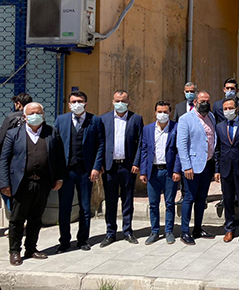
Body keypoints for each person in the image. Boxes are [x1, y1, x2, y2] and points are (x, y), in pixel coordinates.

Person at [0, 102, 65, 265]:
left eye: (38, 113)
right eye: (31, 113)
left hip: (43, 183)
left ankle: (31, 248)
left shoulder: (52, 132)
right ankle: (15, 251)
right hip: (21, 183)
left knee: (36, 218)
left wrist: (59, 178)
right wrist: (4, 183)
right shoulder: (13, 134)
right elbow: (4, 160)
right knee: (17, 219)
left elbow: (59, 157)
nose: (35, 116)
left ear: (43, 115)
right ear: (25, 116)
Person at [54, 91, 105, 253]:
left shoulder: (95, 120)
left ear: (85, 103)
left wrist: (96, 167)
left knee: (85, 207)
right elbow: (55, 145)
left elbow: (101, 144)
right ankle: (64, 241)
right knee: (65, 207)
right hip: (66, 171)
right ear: (69, 104)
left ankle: (83, 239)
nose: (77, 104)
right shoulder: (61, 120)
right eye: (73, 101)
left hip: (85, 171)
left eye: (80, 101)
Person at [100, 90, 143, 247]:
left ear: (128, 102)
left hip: (127, 166)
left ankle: (128, 231)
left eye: (123, 101)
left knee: (127, 200)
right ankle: (110, 232)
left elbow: (140, 142)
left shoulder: (136, 119)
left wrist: (136, 163)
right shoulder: (103, 119)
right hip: (109, 167)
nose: (120, 103)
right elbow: (100, 143)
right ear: (112, 101)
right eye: (117, 101)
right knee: (110, 200)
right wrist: (100, 164)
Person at [177, 91, 217, 245]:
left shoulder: (211, 116)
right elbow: (181, 145)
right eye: (202, 101)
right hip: (192, 167)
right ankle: (184, 231)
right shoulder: (185, 119)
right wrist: (186, 166)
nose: (205, 104)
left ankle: (198, 228)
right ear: (195, 102)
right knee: (189, 198)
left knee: (202, 198)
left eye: (207, 101)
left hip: (207, 164)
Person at [139, 101, 181, 245]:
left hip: (169, 172)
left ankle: (169, 231)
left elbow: (179, 151)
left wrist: (176, 170)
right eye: (159, 111)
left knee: (169, 203)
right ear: (155, 112)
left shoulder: (176, 128)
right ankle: (154, 231)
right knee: (153, 203)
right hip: (153, 171)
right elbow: (144, 151)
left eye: (165, 112)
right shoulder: (147, 129)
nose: (162, 114)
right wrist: (143, 171)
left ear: (170, 112)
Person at [215, 98, 239, 243]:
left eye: (230, 108)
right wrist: (217, 170)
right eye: (225, 109)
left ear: (237, 109)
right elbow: (217, 150)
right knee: (227, 199)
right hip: (226, 168)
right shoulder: (219, 127)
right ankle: (229, 228)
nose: (228, 111)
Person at [0, 92, 32, 212]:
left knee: (8, 189)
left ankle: (14, 212)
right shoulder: (36, 119)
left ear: (18, 104)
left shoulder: (11, 118)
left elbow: (1, 138)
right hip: (31, 159)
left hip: (12, 160)